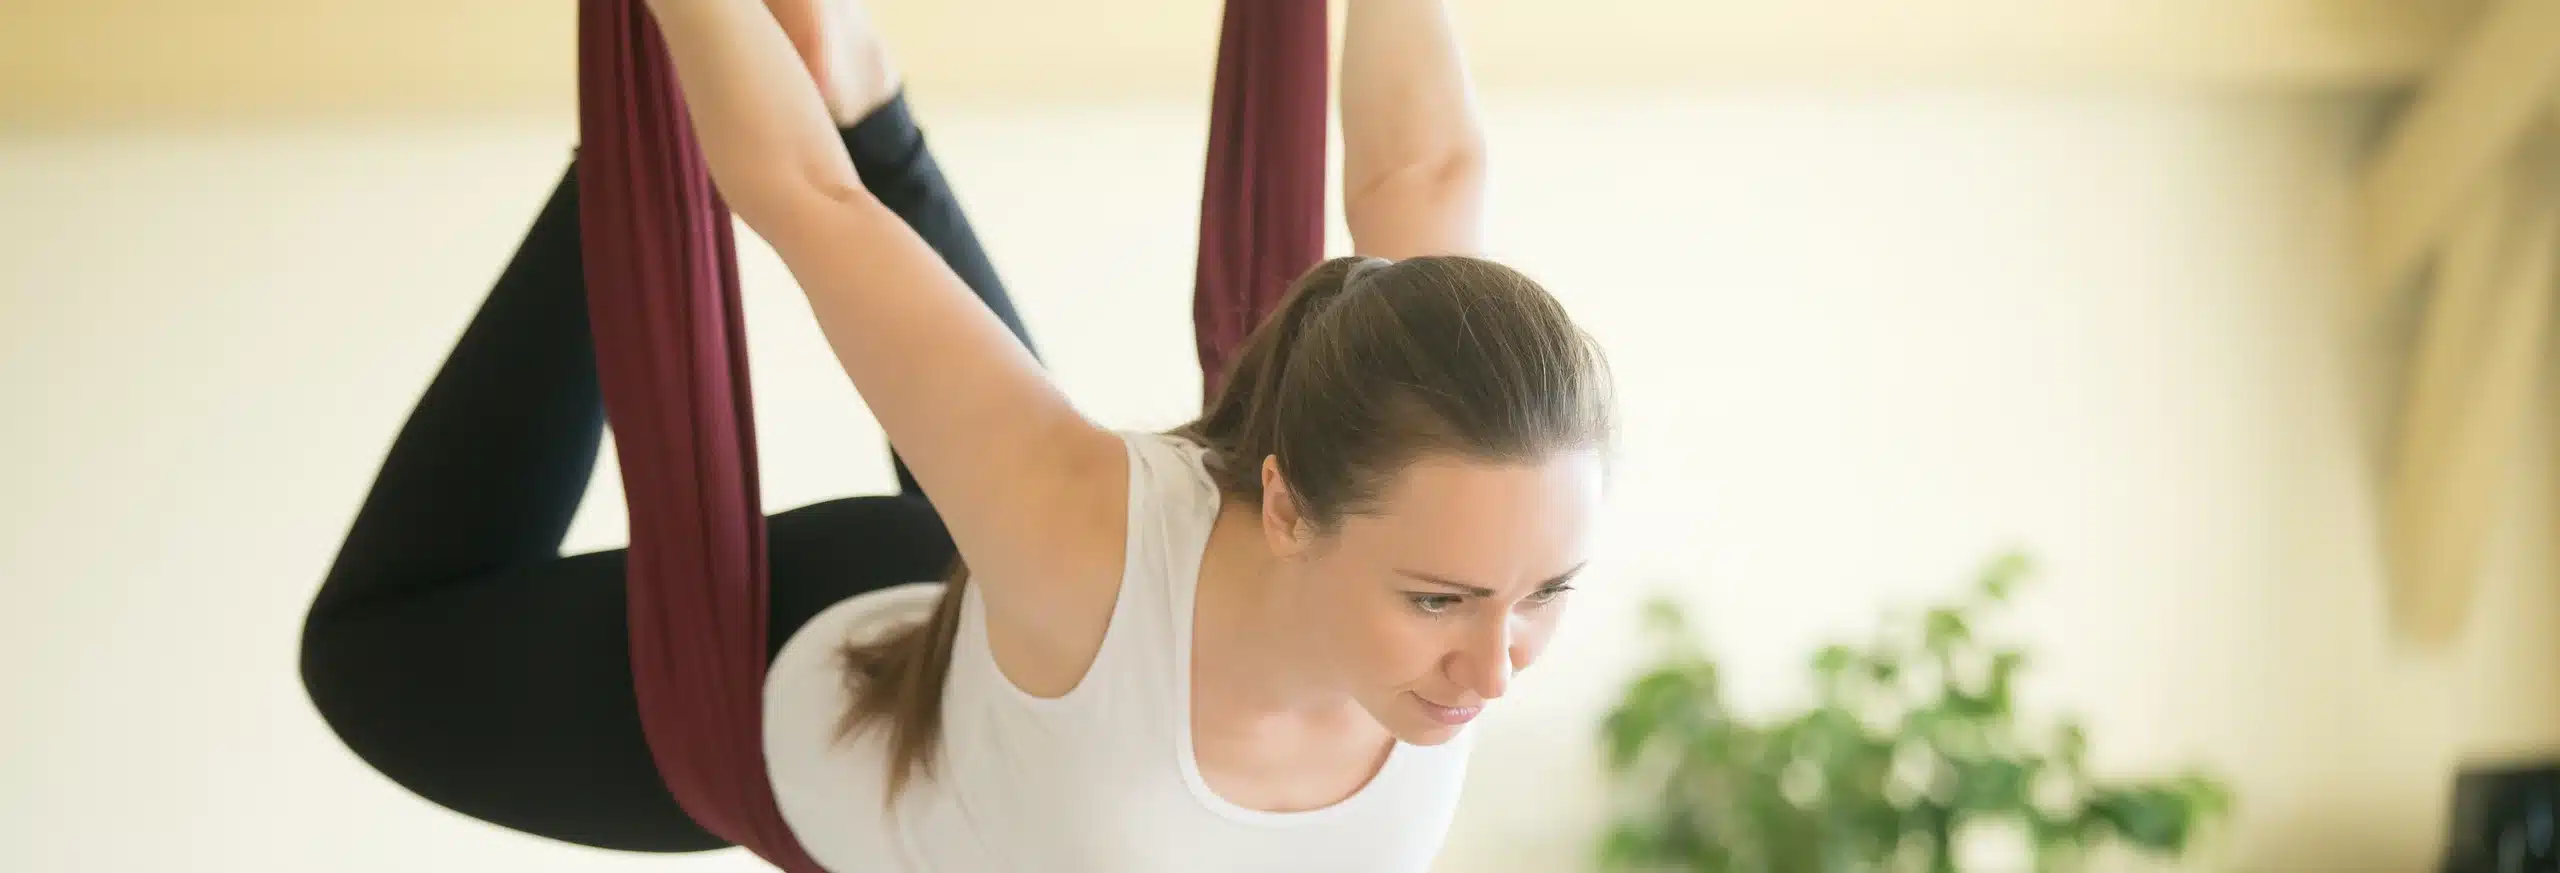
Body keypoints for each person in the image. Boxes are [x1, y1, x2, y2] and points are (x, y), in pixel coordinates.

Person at [298, 0, 1615, 870]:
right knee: (364, 660)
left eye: (1546, 595)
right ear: (1284, 506)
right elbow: (800, 200)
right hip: (804, 678)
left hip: (1025, 673)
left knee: (1034, 548)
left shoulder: (1447, 424)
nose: (1495, 670)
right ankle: (735, 137)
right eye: (1441, 598)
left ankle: (859, 87)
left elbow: (1423, 175)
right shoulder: (1075, 539)